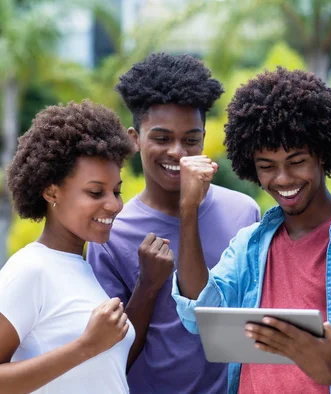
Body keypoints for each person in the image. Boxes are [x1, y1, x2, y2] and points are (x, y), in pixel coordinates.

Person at [172, 67, 331, 394]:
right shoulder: (250, 245)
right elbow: (198, 312)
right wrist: (188, 211)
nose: (283, 179)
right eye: (267, 167)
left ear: (323, 155)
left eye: (297, 161)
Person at [86, 52, 260, 393]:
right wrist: (148, 285)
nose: (178, 152)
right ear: (135, 139)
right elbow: (108, 354)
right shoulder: (110, 229)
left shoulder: (244, 213)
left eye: (191, 139)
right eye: (162, 138)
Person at [0, 101, 137, 393]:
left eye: (116, 191)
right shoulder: (29, 269)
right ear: (52, 191)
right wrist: (85, 346)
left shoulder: (81, 268)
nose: (114, 204)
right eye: (95, 192)